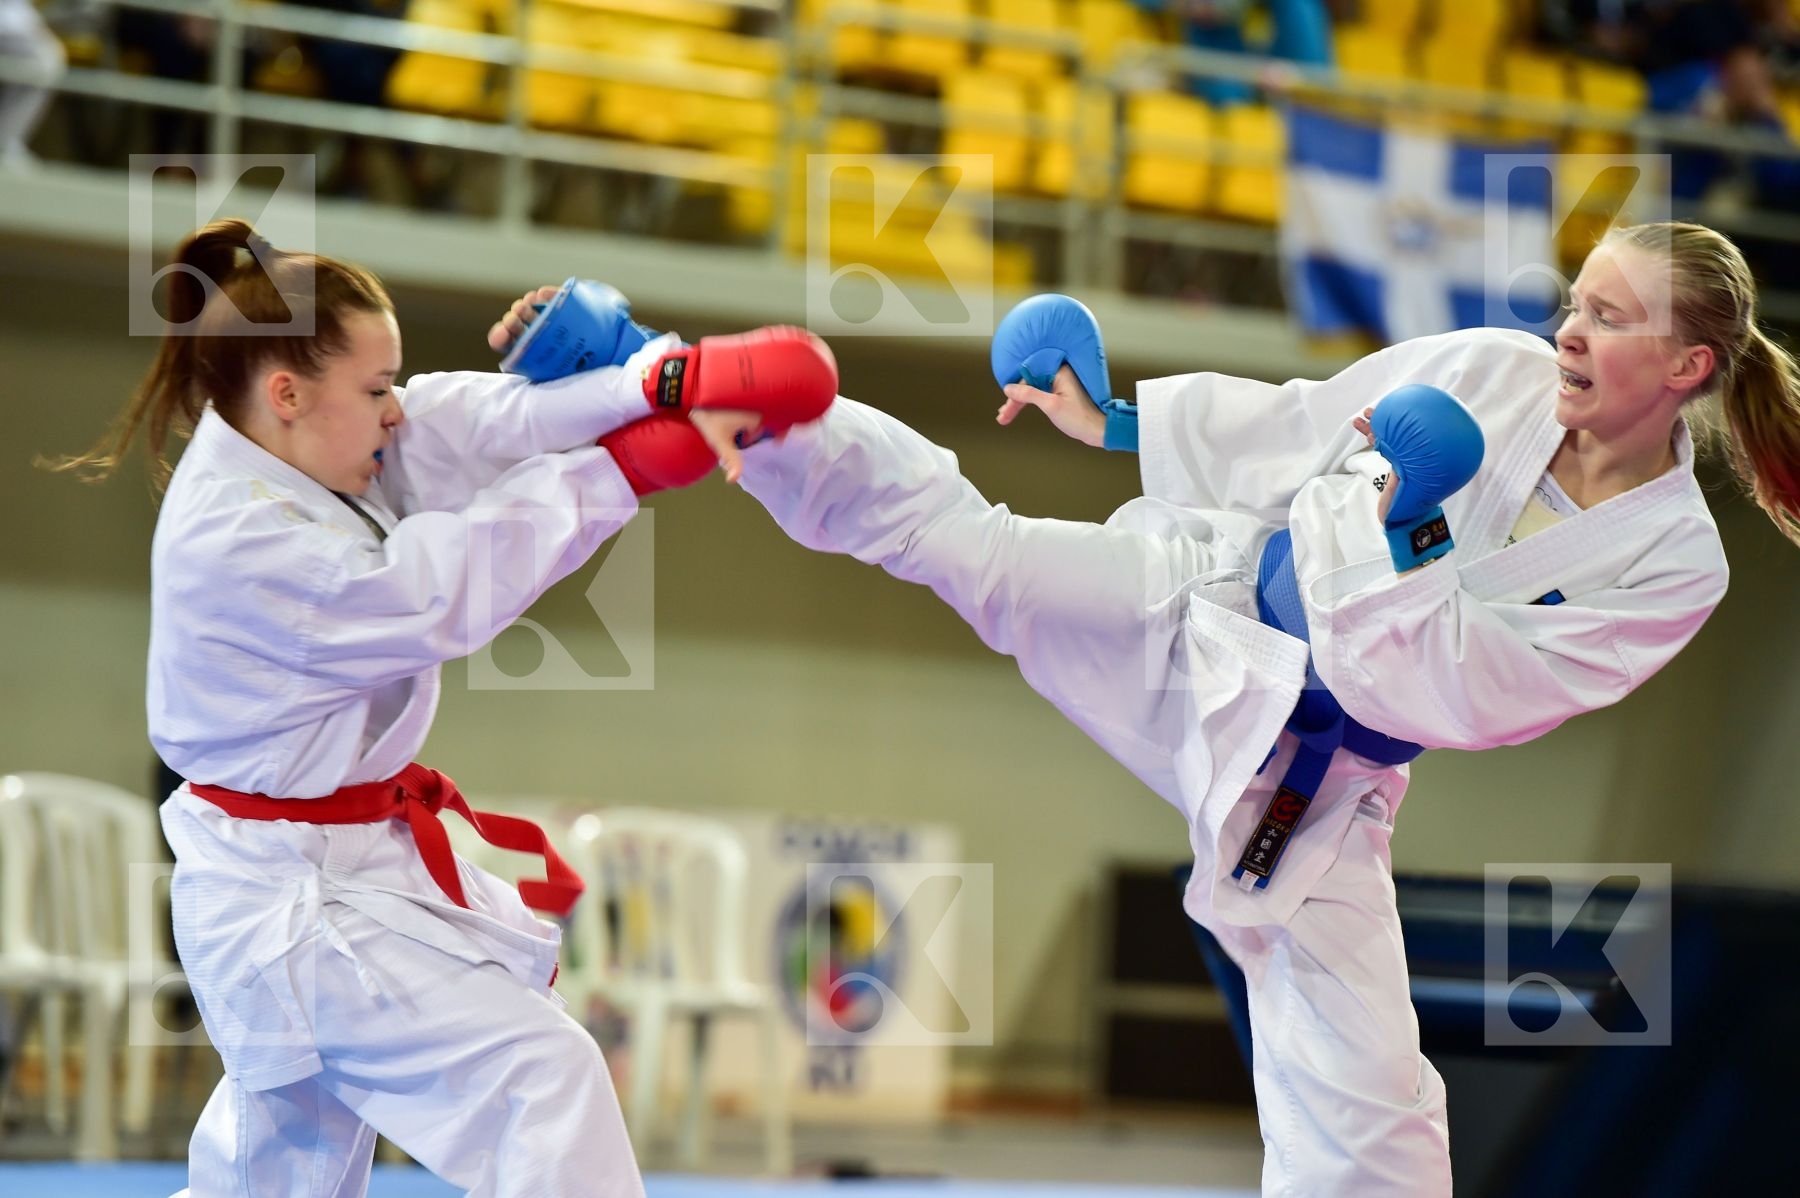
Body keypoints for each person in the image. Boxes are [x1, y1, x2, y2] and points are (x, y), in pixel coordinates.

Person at [498, 221, 1796, 1196]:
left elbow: (1457, 684)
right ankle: (661, 372)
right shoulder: (1497, 372)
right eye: (1576, 300)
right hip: (1210, 605)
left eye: (1610, 316)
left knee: (1370, 1096)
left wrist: (1380, 515)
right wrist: (1113, 419)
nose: (1569, 329)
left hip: (1311, 775)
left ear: (1685, 364)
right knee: (976, 548)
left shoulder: (1671, 565)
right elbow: (1300, 427)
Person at [50, 220, 835, 1197]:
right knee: (539, 1081)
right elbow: (436, 594)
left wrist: (653, 382)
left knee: (276, 1172)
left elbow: (467, 423)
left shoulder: (299, 446)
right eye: (376, 391)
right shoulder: (243, 539)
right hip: (289, 902)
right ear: (287, 393)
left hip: (326, 869)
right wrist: (623, 465)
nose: (393, 414)